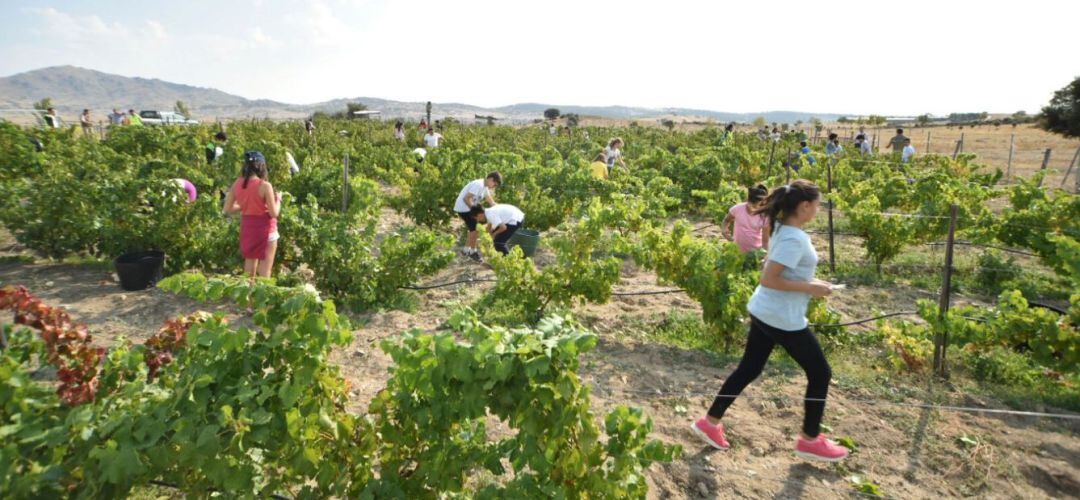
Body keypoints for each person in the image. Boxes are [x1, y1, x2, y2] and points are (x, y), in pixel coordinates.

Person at [692, 180, 848, 463]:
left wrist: (810, 282)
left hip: (765, 310)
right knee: (820, 373)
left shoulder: (784, 230)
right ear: (804, 206)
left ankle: (709, 423)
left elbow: (775, 268)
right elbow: (769, 277)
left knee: (749, 368)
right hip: (781, 317)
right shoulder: (793, 238)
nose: (818, 208)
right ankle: (810, 440)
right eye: (817, 204)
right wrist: (809, 288)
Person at [222, 151, 282, 278]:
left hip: (248, 228)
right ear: (261, 166)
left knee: (248, 272)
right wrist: (279, 200)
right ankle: (262, 297)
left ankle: (247, 297)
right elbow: (274, 213)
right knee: (265, 271)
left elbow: (227, 209)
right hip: (266, 230)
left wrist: (244, 205)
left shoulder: (237, 183)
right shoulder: (265, 186)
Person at [454, 172, 502, 262]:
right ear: (491, 179)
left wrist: (501, 209)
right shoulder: (478, 185)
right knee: (475, 229)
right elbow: (466, 198)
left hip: (469, 208)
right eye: (494, 184)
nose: (493, 187)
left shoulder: (485, 187)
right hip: (463, 208)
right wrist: (474, 211)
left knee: (475, 229)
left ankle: (465, 250)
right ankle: (472, 252)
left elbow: (491, 202)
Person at [722, 184, 770, 253]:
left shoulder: (765, 216)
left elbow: (765, 241)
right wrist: (724, 229)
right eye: (752, 205)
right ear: (748, 200)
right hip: (737, 251)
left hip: (755, 253)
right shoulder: (737, 209)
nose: (753, 209)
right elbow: (726, 220)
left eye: (756, 207)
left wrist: (764, 255)